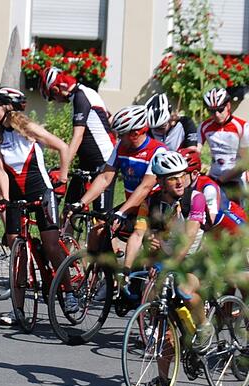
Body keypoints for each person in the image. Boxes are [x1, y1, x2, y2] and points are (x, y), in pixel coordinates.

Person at [0, 87, 71, 322]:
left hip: (41, 191)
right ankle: (18, 310)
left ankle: (69, 291)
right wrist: (4, 198)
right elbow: (1, 171)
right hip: (16, 196)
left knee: (51, 244)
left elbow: (63, 147)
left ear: (9, 107)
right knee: (17, 251)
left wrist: (62, 180)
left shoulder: (29, 130)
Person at [121, 151, 211, 356]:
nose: (180, 181)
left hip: (196, 257)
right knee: (151, 291)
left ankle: (205, 326)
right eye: (172, 177)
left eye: (182, 175)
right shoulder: (150, 203)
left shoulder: (195, 199)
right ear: (161, 181)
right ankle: (163, 370)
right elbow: (137, 235)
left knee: (183, 288)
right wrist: (126, 269)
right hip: (169, 257)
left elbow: (188, 240)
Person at [70, 105, 168, 249]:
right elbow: (105, 178)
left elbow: (145, 187)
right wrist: (81, 203)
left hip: (155, 209)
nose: (118, 137)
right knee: (97, 232)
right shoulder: (120, 147)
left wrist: (121, 213)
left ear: (135, 133)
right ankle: (104, 269)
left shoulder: (158, 151)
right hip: (133, 208)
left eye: (122, 134)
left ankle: (132, 270)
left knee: (148, 245)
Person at [40, 67, 115, 213]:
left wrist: (63, 171)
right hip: (86, 163)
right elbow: (109, 118)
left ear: (56, 89)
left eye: (52, 97)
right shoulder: (83, 94)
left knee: (100, 219)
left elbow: (77, 136)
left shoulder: (81, 96)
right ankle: (65, 236)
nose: (55, 101)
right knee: (68, 212)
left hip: (102, 163)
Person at [177, 147, 247, 234]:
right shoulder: (183, 186)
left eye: (182, 175)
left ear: (194, 174)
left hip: (234, 226)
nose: (177, 180)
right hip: (215, 231)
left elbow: (208, 222)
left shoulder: (209, 188)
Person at [199, 87, 249, 203]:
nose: (216, 114)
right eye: (211, 111)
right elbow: (195, 151)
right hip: (213, 176)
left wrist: (221, 180)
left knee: (236, 217)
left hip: (235, 179)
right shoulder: (204, 126)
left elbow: (245, 162)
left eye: (220, 109)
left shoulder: (242, 126)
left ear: (228, 106)